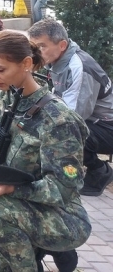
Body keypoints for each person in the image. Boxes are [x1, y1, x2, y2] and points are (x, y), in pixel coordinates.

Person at [0, 30, 91, 272]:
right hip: (11, 207)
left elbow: (63, 188)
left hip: (60, 214)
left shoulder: (58, 119)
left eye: (0, 69)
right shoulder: (3, 98)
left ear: (26, 64)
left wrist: (11, 188)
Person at [29, 19, 113, 196]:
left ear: (62, 45)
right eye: (34, 47)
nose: (37, 53)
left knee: (64, 132)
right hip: (94, 122)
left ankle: (99, 172)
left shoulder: (79, 67)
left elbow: (73, 117)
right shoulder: (57, 60)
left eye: (42, 47)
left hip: (107, 127)